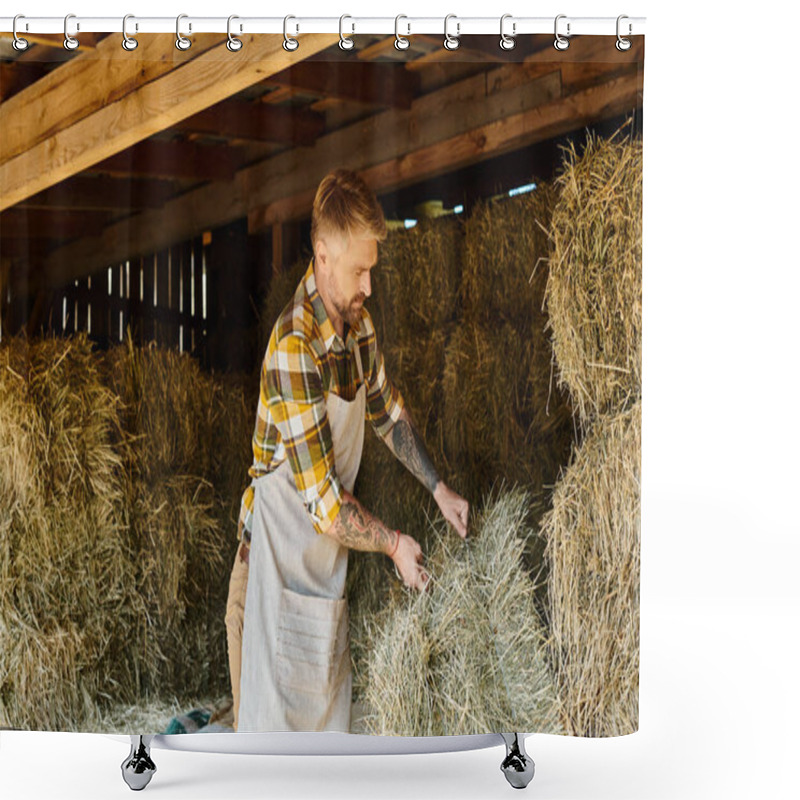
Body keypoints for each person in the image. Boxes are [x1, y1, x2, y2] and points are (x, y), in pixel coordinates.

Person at [224, 168, 469, 733]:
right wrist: (394, 545)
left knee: (325, 766)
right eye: (360, 270)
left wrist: (437, 488)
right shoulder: (295, 345)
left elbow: (389, 414)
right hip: (269, 585)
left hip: (318, 588)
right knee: (267, 773)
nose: (368, 286)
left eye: (371, 270)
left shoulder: (358, 331)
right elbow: (327, 508)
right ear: (323, 254)